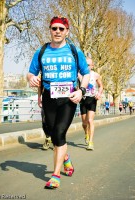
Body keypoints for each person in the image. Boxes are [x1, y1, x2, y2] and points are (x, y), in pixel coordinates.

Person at [27, 16, 90, 189]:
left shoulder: (74, 50)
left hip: (69, 98)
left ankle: (55, 175)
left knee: (60, 133)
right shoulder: (42, 51)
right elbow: (31, 73)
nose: (57, 32)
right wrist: (31, 79)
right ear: (50, 30)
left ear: (67, 31)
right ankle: (66, 158)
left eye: (61, 29)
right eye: (54, 28)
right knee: (52, 133)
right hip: (49, 97)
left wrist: (81, 91)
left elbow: (86, 74)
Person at [78, 57, 103, 150]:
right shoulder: (79, 74)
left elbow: (101, 86)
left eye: (89, 65)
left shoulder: (96, 75)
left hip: (92, 99)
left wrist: (99, 94)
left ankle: (91, 142)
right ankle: (86, 134)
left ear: (92, 66)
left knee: (90, 121)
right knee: (84, 123)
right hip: (83, 99)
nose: (87, 66)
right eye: (86, 64)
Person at [38, 85, 52, 150]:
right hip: (46, 99)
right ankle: (48, 137)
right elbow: (40, 86)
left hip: (59, 100)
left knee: (56, 122)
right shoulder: (43, 75)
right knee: (44, 121)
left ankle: (56, 142)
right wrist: (39, 98)